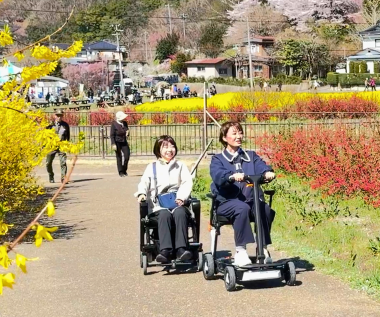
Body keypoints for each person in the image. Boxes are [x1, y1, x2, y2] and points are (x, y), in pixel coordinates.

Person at [209, 121, 277, 266]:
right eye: (234, 133)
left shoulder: (251, 156)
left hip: (250, 201)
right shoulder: (218, 160)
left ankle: (263, 249)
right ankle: (241, 251)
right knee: (242, 208)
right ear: (224, 138)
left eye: (240, 132)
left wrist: (267, 172)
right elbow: (218, 175)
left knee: (264, 208)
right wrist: (231, 176)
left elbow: (261, 166)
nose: (238, 136)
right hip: (227, 203)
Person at [135, 135, 196, 264]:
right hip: (158, 206)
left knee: (180, 213)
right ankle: (165, 250)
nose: (170, 149)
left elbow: (187, 183)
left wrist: (182, 197)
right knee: (164, 214)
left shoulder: (180, 166)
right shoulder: (151, 167)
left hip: (178, 203)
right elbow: (144, 182)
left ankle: (181, 249)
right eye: (165, 147)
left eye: (172, 146)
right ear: (158, 150)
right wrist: (141, 193)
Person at [46, 111, 70, 183]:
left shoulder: (65, 125)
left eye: (61, 116)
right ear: (55, 116)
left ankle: (63, 178)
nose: (59, 117)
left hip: (61, 145)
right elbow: (44, 134)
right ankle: (51, 175)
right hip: (52, 145)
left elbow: (67, 136)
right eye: (57, 115)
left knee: (63, 162)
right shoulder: (50, 125)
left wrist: (66, 144)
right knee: (48, 162)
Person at [111, 110, 131, 176]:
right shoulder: (114, 124)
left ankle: (124, 169)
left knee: (127, 156)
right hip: (117, 142)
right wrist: (113, 144)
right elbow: (112, 135)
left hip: (124, 141)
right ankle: (120, 172)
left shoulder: (125, 123)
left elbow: (127, 130)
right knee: (119, 157)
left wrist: (128, 133)